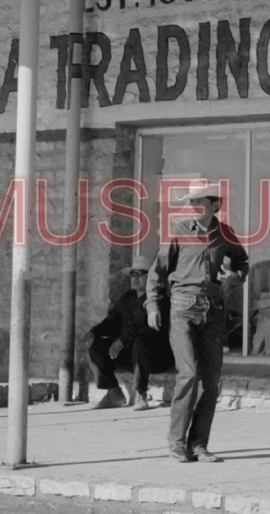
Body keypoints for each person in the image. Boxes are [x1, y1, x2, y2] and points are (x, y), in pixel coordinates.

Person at [146, 190, 249, 463]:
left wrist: (234, 276)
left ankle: (198, 445)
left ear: (215, 205)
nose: (194, 207)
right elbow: (158, 270)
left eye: (200, 202)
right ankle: (176, 442)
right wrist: (153, 305)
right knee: (188, 374)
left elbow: (242, 262)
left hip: (213, 311)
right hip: (182, 309)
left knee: (211, 383)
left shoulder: (225, 233)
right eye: (191, 202)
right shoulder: (179, 231)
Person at [87, 263, 172, 411]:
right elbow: (112, 322)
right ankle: (114, 392)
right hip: (130, 356)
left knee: (141, 342)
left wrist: (124, 340)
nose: (136, 278)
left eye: (141, 274)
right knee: (96, 346)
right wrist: (93, 332)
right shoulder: (128, 297)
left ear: (150, 277)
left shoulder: (160, 298)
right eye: (133, 275)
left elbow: (153, 330)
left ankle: (141, 394)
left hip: (156, 357)